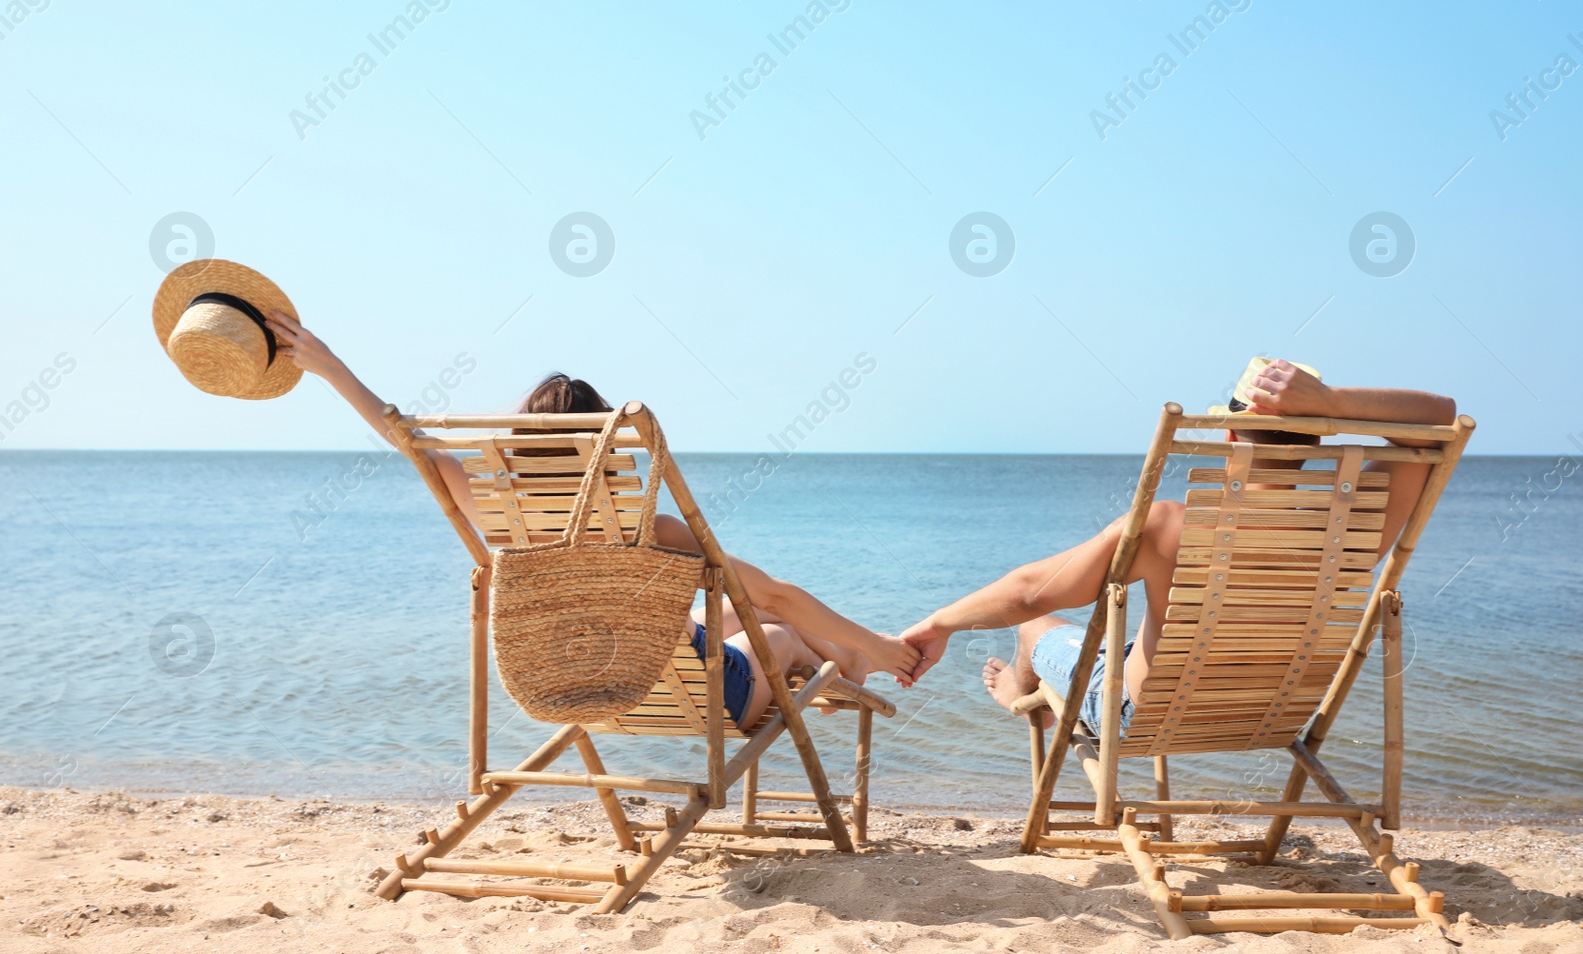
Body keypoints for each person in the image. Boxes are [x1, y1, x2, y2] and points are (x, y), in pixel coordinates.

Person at [265, 312, 918, 729]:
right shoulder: (645, 531)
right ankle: (859, 660)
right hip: (698, 692)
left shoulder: (497, 514)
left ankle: (855, 657)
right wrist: (884, 646)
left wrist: (326, 366)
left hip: (559, 684)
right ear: (602, 455)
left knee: (732, 622)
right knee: (780, 631)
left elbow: (401, 434)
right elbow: (772, 594)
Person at [897, 358, 1458, 734]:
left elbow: (1029, 595)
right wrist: (1331, 400)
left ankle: (1026, 700)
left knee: (1036, 631)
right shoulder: (1358, 525)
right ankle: (1054, 689)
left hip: (1149, 716)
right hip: (1270, 716)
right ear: (1316, 441)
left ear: (1230, 436)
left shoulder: (1169, 527)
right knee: (1115, 647)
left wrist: (940, 623)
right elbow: (1440, 418)